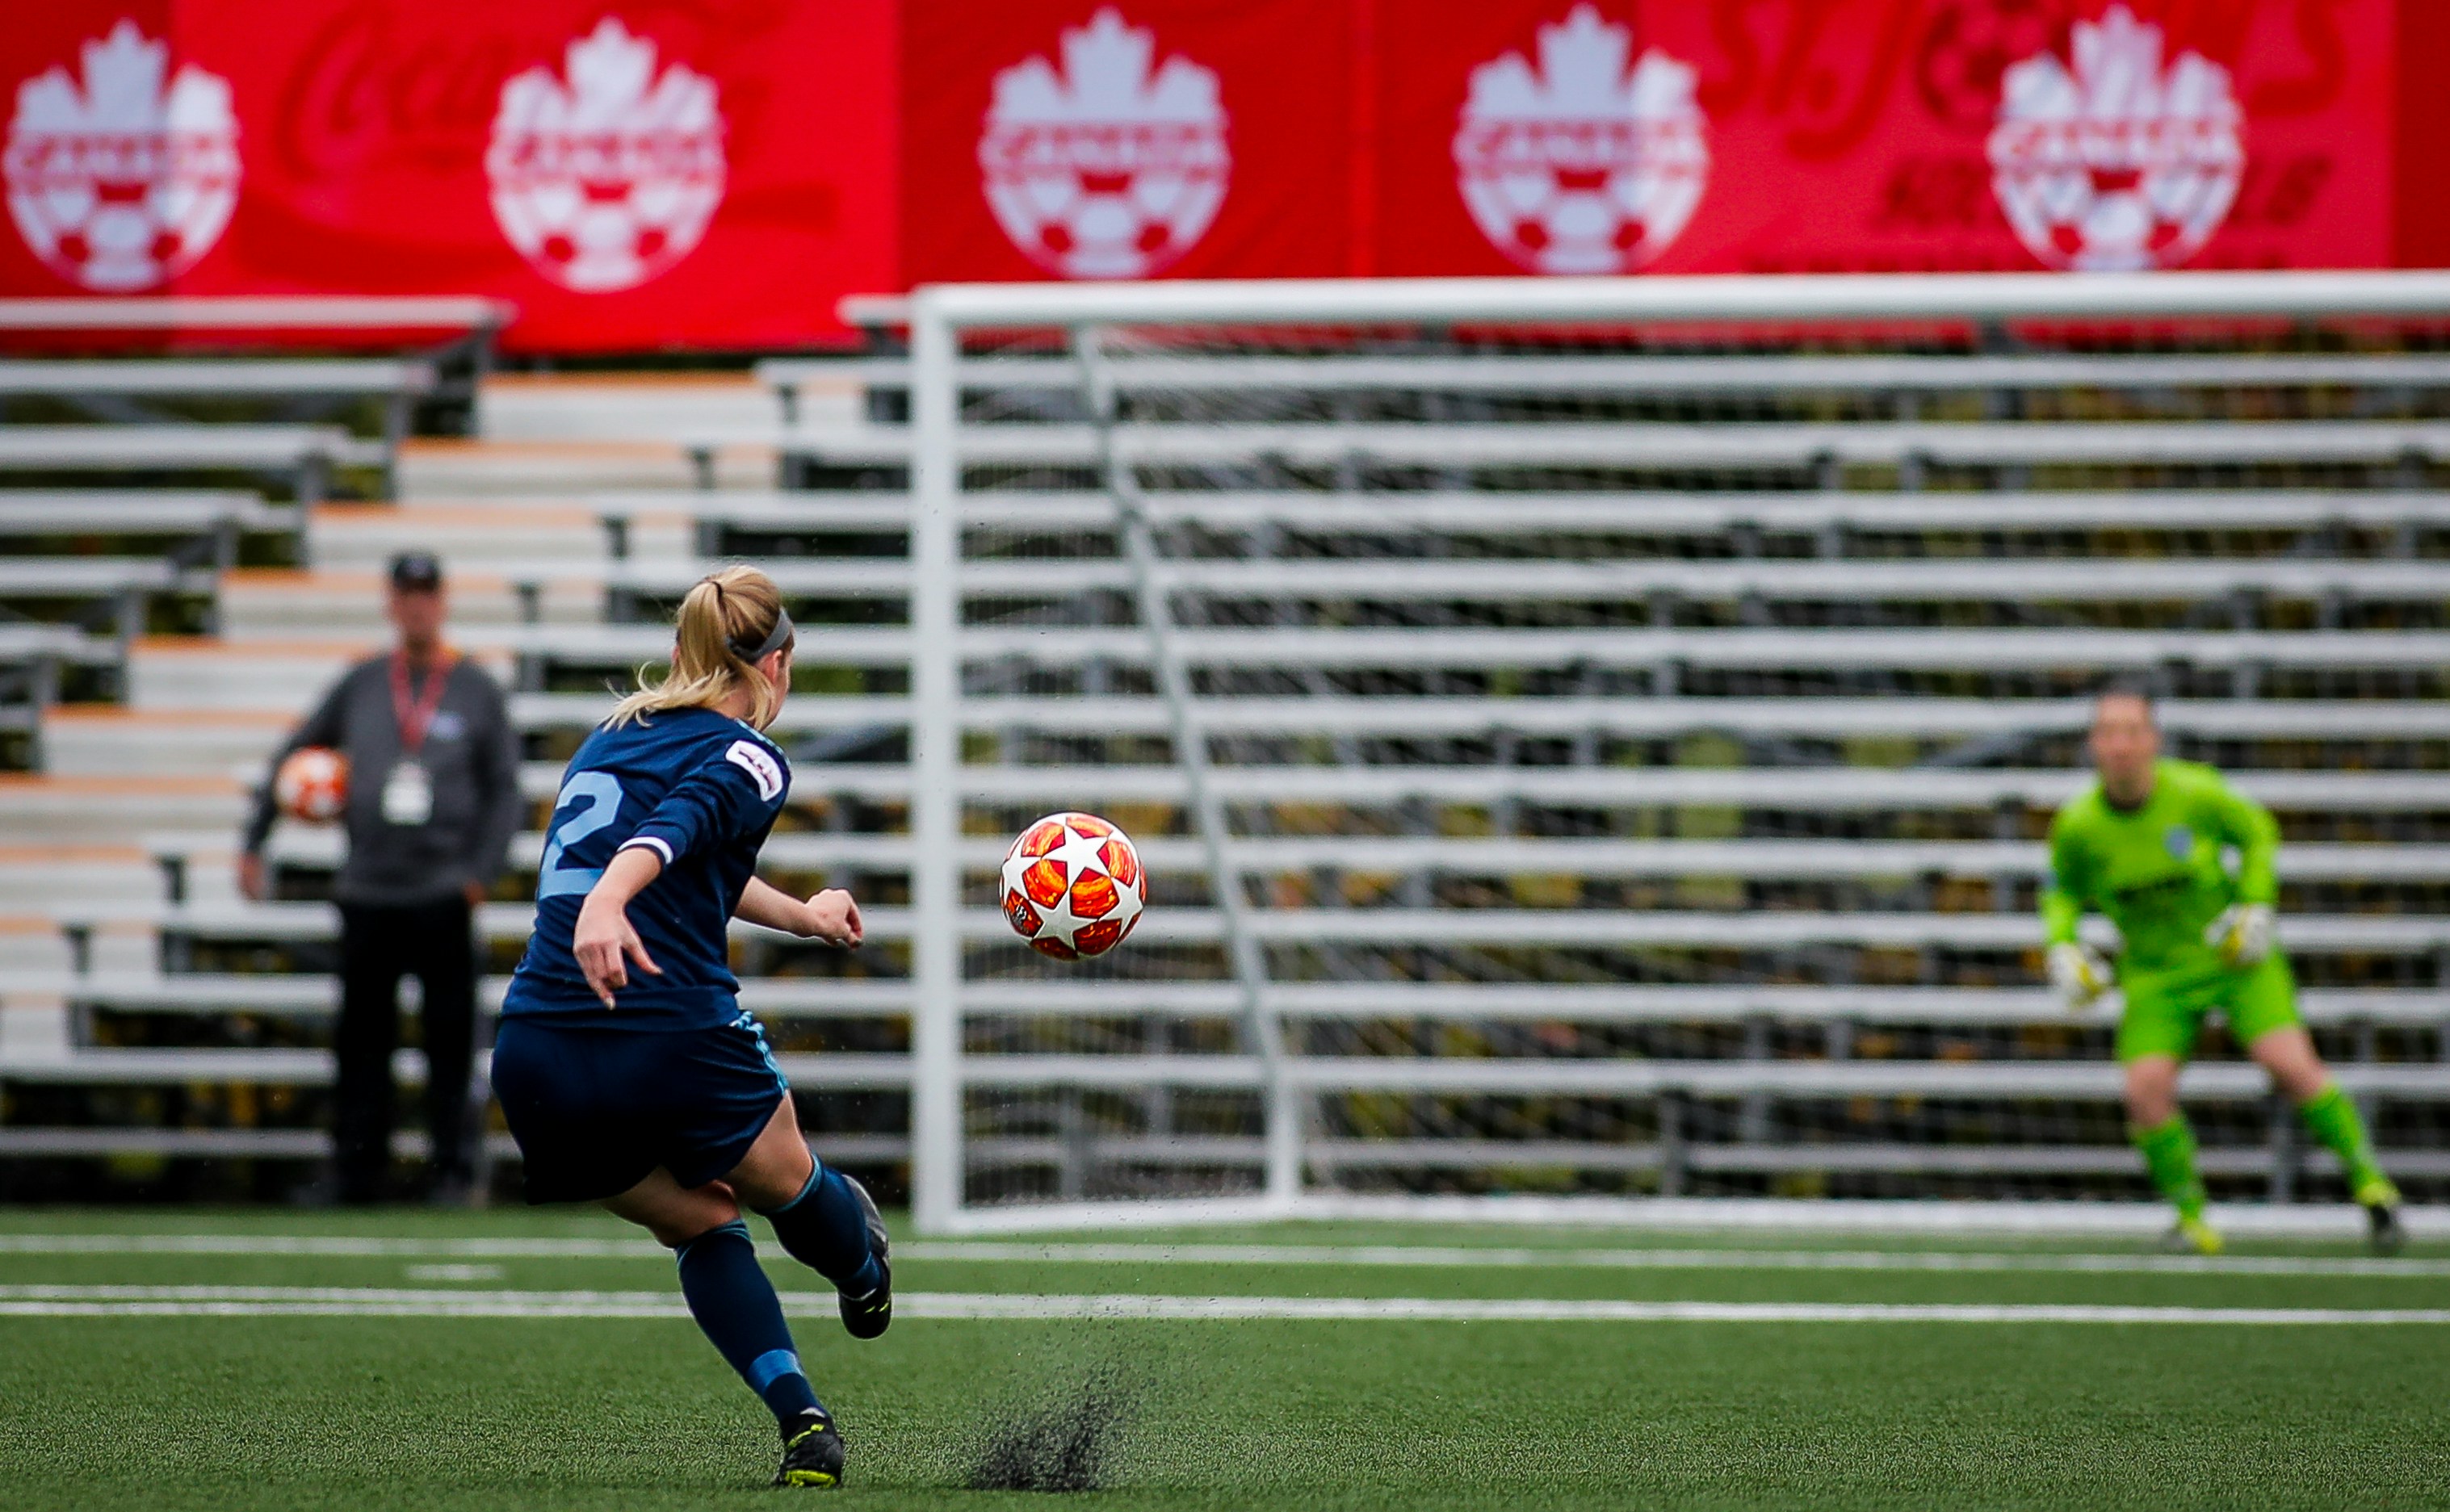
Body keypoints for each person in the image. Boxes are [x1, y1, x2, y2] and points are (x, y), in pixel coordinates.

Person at [489, 565, 889, 1490]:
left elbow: (687, 855)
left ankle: (805, 1425)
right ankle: (862, 1264)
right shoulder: (753, 756)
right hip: (666, 1032)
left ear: (682, 655)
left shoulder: (610, 736)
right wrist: (608, 902)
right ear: (777, 665)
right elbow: (673, 830)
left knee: (706, 1226)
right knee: (791, 1188)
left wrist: (806, 915)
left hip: (539, 1054)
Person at [2041, 681, 2404, 1254]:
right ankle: (2193, 1221)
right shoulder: (2079, 825)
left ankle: (2373, 1187)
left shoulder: (2197, 793)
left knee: (2288, 1063)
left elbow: (2258, 831)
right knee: (2144, 1090)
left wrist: (2256, 904)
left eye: (2132, 731)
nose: (2120, 745)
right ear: (2093, 744)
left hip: (2233, 959)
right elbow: (2060, 890)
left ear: (2153, 738)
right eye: (2108, 732)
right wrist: (2062, 944)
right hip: (2155, 973)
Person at [240, 551, 522, 1205]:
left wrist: (480, 874)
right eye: (406, 594)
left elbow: (504, 790)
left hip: (443, 895)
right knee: (362, 1045)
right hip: (367, 892)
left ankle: (453, 1174)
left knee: (451, 1046)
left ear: (442, 601)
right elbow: (294, 755)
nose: (417, 605)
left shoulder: (476, 689)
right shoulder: (364, 682)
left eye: (427, 593)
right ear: (391, 603)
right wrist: (255, 838)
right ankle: (356, 1175)